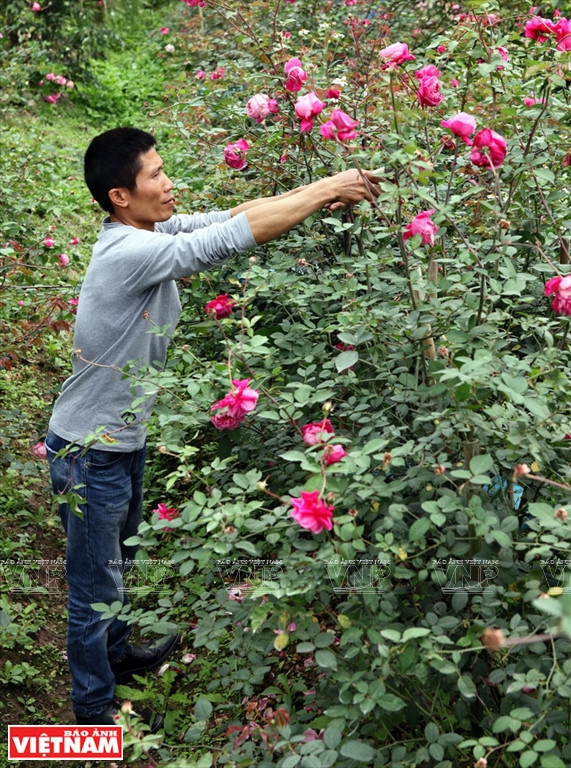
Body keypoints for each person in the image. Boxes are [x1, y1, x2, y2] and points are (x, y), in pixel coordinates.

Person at [45, 126, 381, 727]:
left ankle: (117, 660)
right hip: (87, 450)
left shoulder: (144, 229)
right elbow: (229, 240)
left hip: (116, 440)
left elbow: (234, 214)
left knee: (116, 563)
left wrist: (321, 192)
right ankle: (91, 717)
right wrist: (331, 183)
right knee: (93, 589)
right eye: (155, 175)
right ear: (121, 195)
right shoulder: (129, 254)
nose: (168, 183)